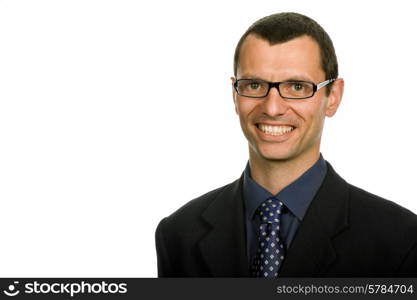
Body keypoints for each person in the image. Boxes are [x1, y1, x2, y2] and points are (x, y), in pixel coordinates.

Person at [155, 12, 417, 277]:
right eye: (254, 84)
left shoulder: (401, 240)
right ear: (235, 94)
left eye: (297, 86)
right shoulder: (178, 235)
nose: (272, 107)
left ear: (333, 96)